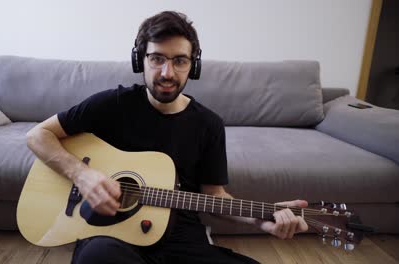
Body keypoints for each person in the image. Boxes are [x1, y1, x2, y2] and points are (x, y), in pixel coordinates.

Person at [26, 11, 309, 264]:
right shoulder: (112, 104)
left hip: (181, 238)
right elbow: (38, 135)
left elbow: (214, 195)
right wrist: (82, 175)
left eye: (179, 61)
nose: (167, 72)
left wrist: (261, 219)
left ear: (193, 65)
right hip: (110, 235)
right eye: (157, 58)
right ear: (140, 60)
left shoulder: (208, 123)